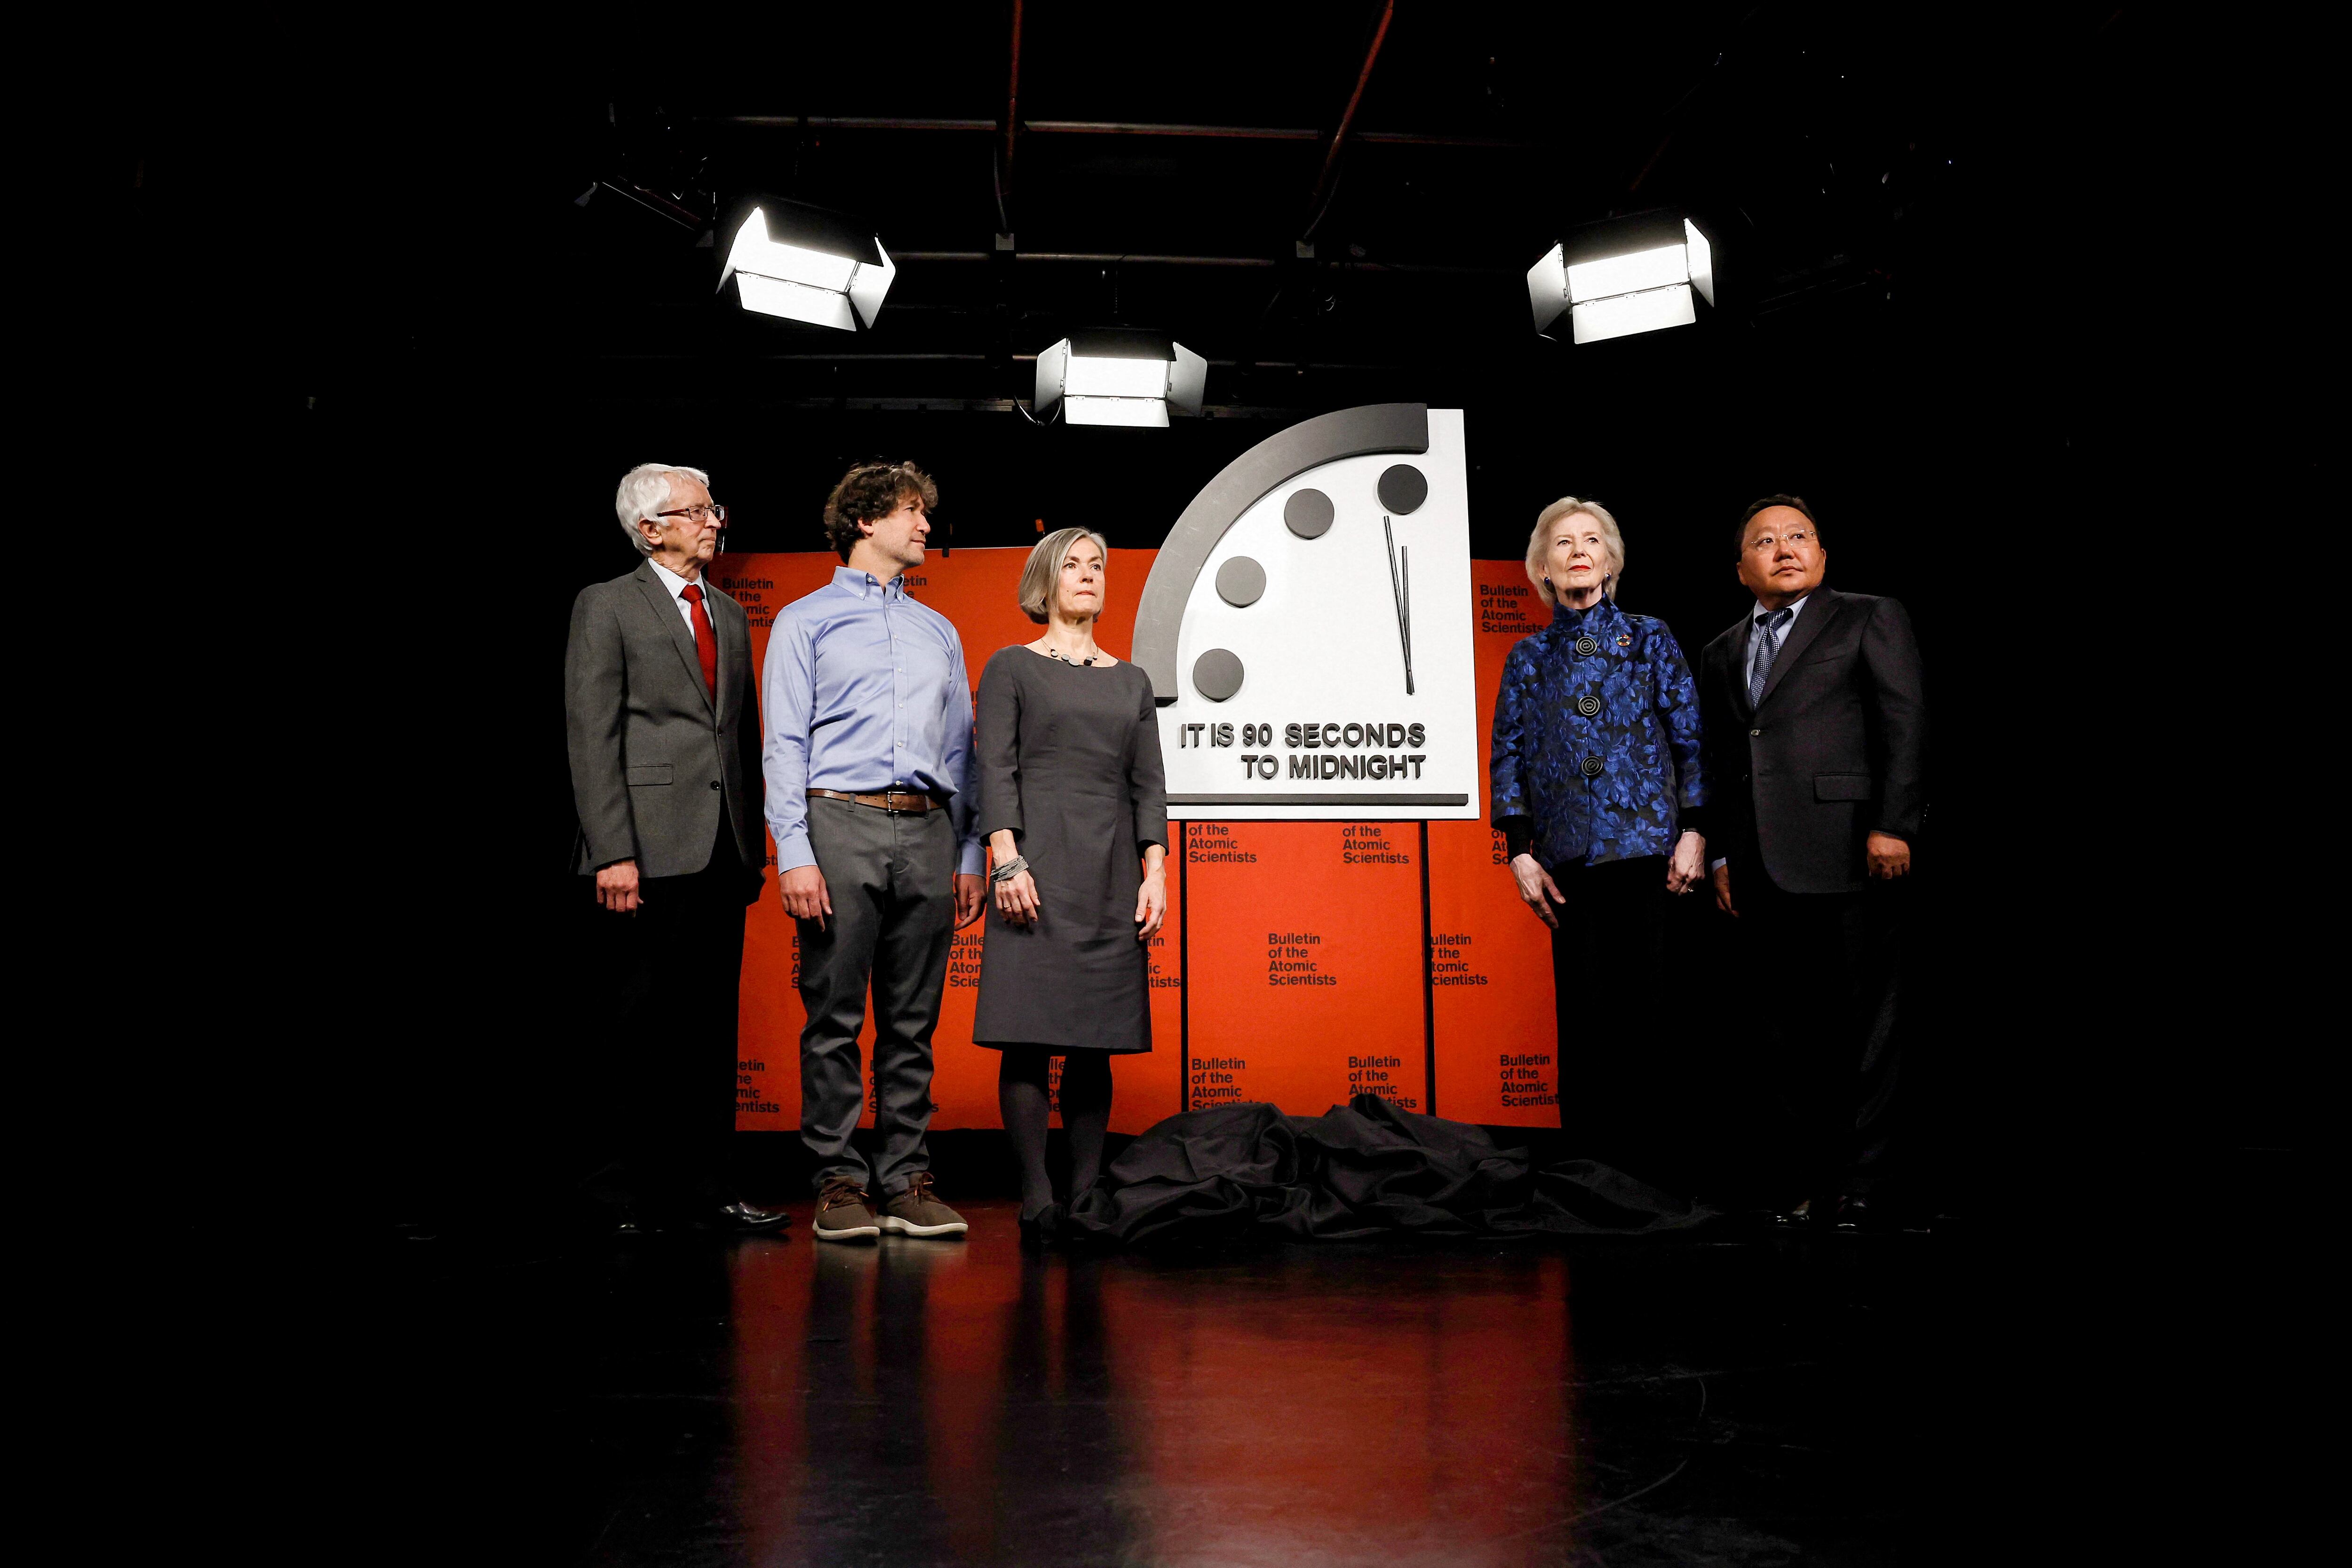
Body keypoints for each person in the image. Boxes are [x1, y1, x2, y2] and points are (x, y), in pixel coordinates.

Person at [763, 461, 986, 1243]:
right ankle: (837, 1181)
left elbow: (963, 750)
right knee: (832, 1017)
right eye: (911, 511)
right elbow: (785, 745)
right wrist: (794, 851)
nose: (926, 525)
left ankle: (905, 1178)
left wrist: (968, 856)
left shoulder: (939, 631)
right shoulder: (804, 620)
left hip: (927, 830)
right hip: (838, 824)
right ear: (864, 521)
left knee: (912, 1021)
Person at [564, 462, 785, 1235]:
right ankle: (614, 1194)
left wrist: (753, 846)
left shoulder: (726, 610)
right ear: (649, 528)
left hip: (721, 854)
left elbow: (743, 738)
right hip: (643, 855)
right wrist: (612, 851)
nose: (714, 522)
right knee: (630, 1028)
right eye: (696, 512)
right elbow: (593, 736)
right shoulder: (606, 605)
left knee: (709, 1029)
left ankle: (709, 1188)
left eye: (714, 509)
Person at [1698, 494, 1927, 1231]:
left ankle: (1863, 1182)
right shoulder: (1721, 650)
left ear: (1823, 555)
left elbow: (1904, 719)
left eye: (1799, 537)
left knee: (1864, 1026)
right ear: (1743, 568)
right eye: (1765, 541)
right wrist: (1726, 854)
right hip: (1761, 866)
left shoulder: (1867, 615)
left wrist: (1895, 825)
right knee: (1781, 1031)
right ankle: (1805, 1180)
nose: (1785, 548)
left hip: (1853, 851)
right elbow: (1725, 758)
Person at [1490, 498, 1708, 1172]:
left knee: (1653, 1016)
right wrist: (1520, 852)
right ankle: (1590, 1177)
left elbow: (1690, 739)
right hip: (1569, 863)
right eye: (1563, 543)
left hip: (1649, 855)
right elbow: (1507, 758)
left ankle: (1656, 1173)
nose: (1579, 551)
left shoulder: (1649, 636)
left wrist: (1696, 830)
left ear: (1611, 561)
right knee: (1584, 1021)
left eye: (1592, 541)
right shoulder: (1528, 659)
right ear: (1545, 569)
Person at [971, 528, 1168, 1239]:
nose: (1087, 576)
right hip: (1035, 871)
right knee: (1029, 1039)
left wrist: (1156, 872)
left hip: (1111, 874)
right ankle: (1036, 1194)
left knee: (1094, 1040)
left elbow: (1148, 783)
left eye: (1098, 567)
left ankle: (1084, 1194)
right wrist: (1006, 859)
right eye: (1072, 566)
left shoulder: (1131, 680)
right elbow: (994, 768)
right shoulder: (1011, 668)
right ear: (1045, 582)